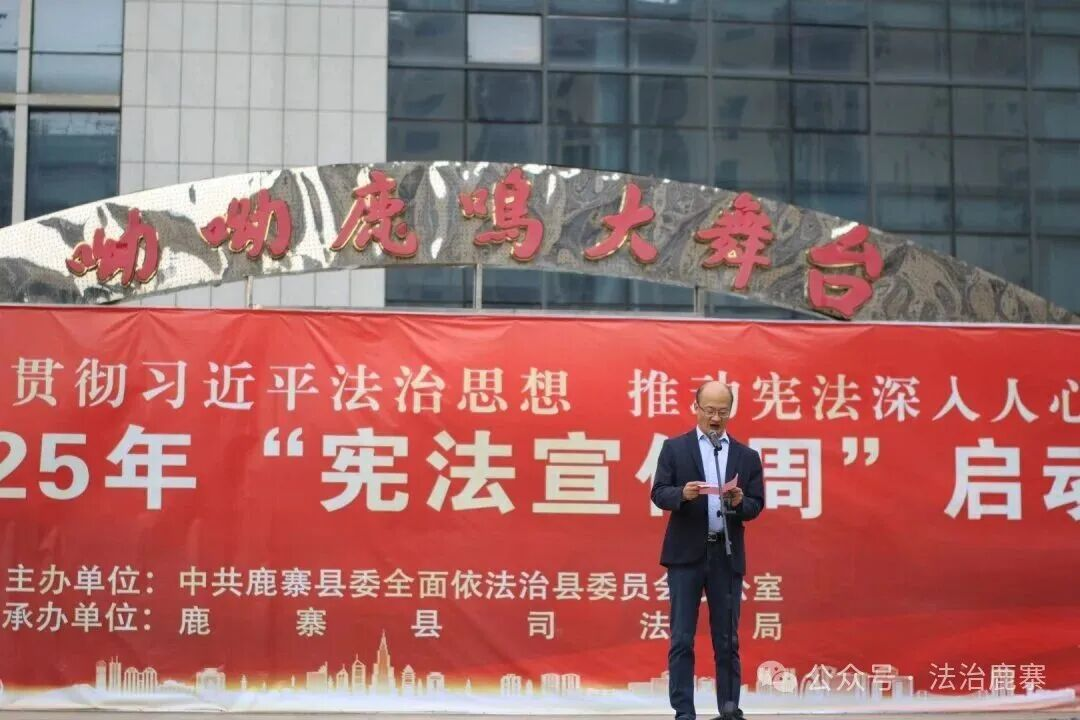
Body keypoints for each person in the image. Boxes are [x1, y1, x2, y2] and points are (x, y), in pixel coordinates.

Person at [650, 381, 765, 720]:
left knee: (727, 640)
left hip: (726, 556)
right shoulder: (675, 448)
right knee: (682, 639)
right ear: (696, 408)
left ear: (731, 412)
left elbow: (757, 504)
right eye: (710, 410)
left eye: (722, 412)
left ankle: (729, 710)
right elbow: (658, 492)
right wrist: (681, 495)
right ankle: (684, 713)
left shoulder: (746, 456)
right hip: (686, 556)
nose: (715, 418)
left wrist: (740, 501)